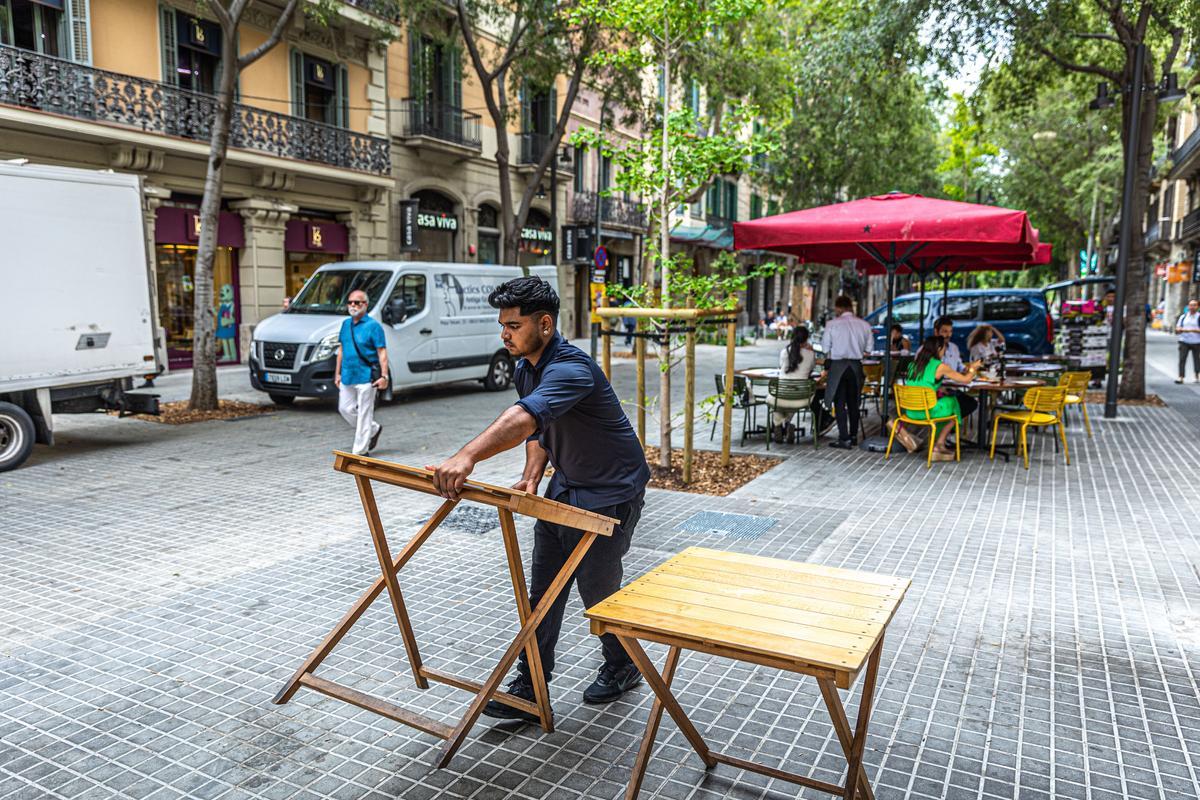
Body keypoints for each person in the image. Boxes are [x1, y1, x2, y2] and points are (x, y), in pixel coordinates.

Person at [428, 276, 650, 723]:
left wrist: (466, 456)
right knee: (543, 591)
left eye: (513, 324)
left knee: (598, 592)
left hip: (611, 495)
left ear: (544, 324)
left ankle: (625, 665)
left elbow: (523, 416)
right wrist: (531, 476)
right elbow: (540, 429)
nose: (504, 334)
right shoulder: (526, 367)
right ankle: (531, 685)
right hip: (565, 489)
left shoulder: (571, 368)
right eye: (501, 325)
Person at [893, 335, 980, 460]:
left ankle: (938, 443)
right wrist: (972, 368)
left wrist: (939, 389)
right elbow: (966, 380)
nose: (945, 351)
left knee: (945, 404)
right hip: (926, 412)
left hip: (910, 412)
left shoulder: (914, 364)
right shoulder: (940, 366)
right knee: (953, 404)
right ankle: (939, 444)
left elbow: (921, 384)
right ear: (939, 348)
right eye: (944, 348)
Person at [334, 289, 387, 455]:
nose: (353, 305)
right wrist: (337, 373)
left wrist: (384, 376)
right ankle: (373, 429)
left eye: (357, 302)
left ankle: (360, 451)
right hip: (347, 375)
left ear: (366, 304)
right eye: (350, 302)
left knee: (364, 413)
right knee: (345, 409)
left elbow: (382, 352)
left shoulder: (373, 326)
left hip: (367, 376)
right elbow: (341, 350)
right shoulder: (345, 324)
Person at [820, 295, 873, 449]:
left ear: (839, 308)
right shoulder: (864, 325)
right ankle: (854, 436)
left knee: (840, 402)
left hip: (838, 366)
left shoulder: (832, 324)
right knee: (854, 402)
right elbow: (868, 350)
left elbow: (824, 348)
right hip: (856, 366)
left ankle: (844, 438)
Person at [772, 325, 817, 441]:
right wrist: (811, 351)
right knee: (793, 397)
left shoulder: (784, 352)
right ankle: (787, 424)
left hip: (781, 394)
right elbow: (811, 368)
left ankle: (778, 424)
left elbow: (781, 366)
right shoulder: (810, 354)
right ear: (806, 339)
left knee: (777, 399)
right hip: (801, 398)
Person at [933, 316, 979, 423]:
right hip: (935, 391)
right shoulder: (927, 349)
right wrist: (972, 370)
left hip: (951, 387)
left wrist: (966, 369)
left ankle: (947, 428)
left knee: (971, 403)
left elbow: (959, 366)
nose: (948, 335)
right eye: (944, 331)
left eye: (950, 331)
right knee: (958, 404)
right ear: (936, 331)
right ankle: (946, 428)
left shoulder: (953, 347)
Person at [1176, 298, 1200, 384]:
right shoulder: (1183, 317)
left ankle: (1196, 375)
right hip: (1184, 341)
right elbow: (1178, 328)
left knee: (1197, 359)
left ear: (1198, 306)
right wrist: (1179, 330)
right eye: (1191, 305)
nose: (1192, 307)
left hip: (1197, 342)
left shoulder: (1199, 316)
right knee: (1182, 359)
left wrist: (1191, 330)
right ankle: (1181, 377)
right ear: (1188, 306)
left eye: (1194, 305)